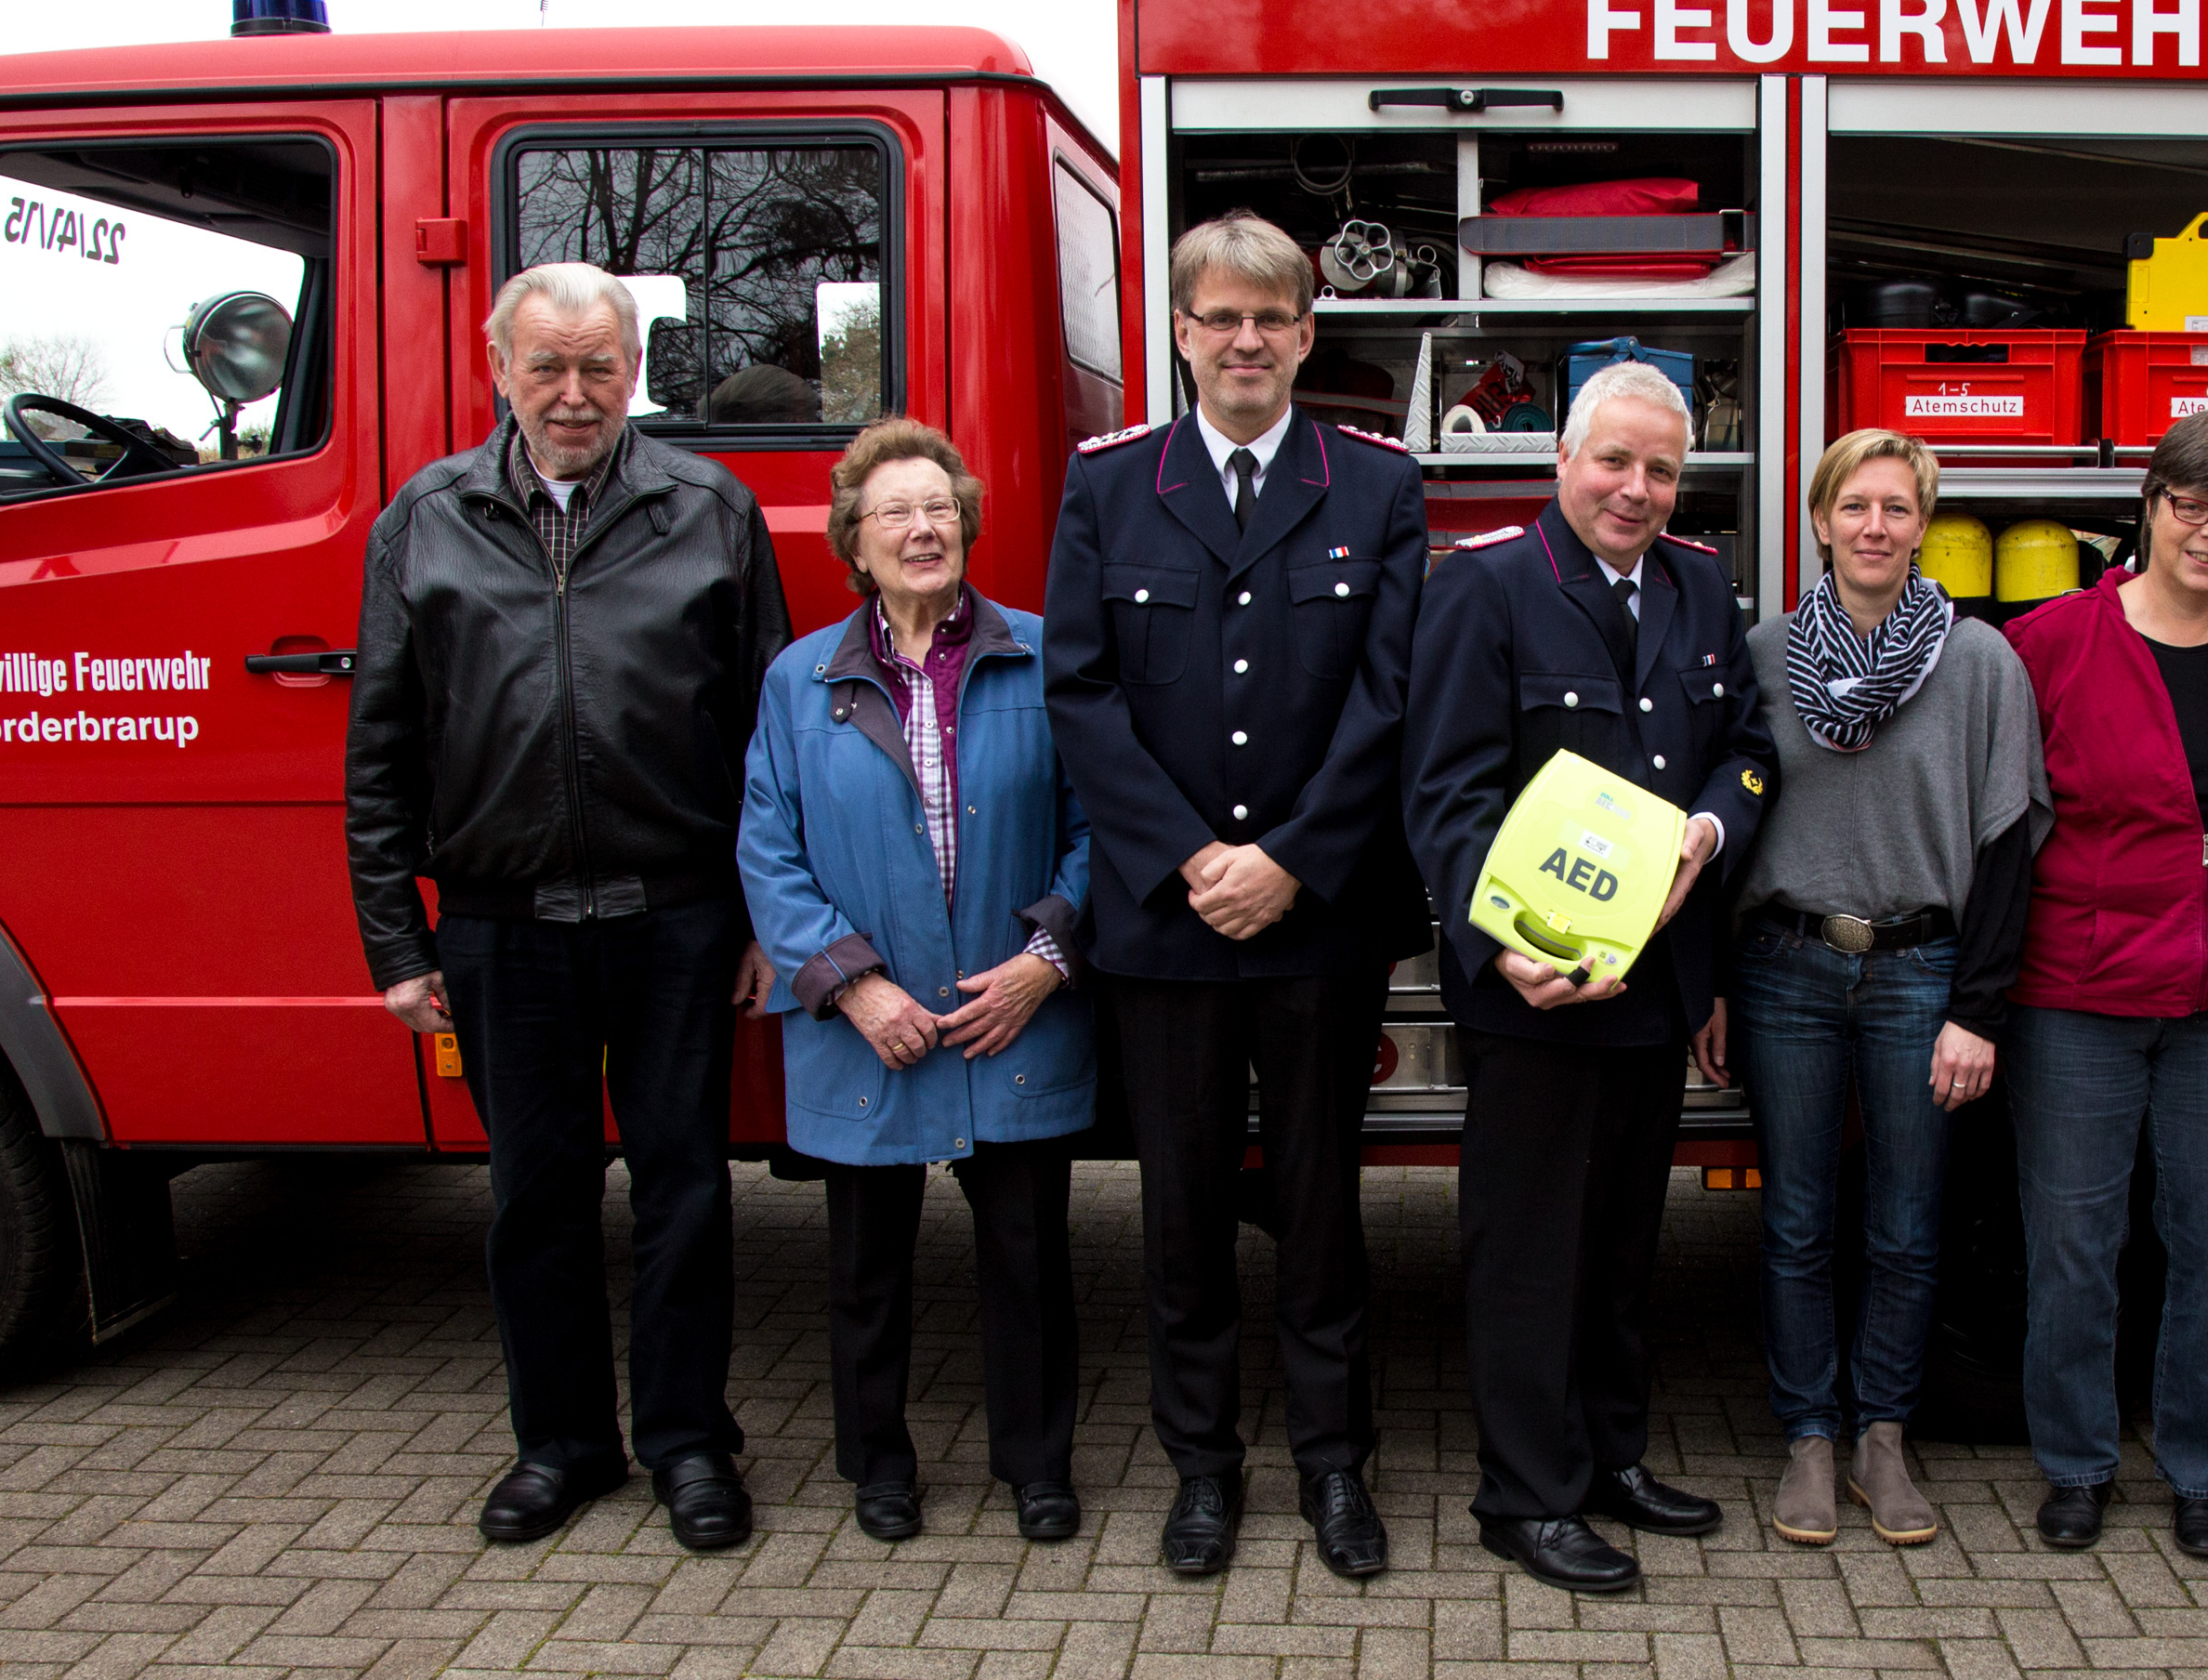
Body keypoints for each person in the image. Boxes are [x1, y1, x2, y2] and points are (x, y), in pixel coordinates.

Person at [347, 260, 793, 1552]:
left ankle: (690, 1443)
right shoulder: (423, 520)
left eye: (601, 363)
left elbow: (770, 741)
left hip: (677, 914)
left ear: (635, 369)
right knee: (534, 1196)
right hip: (499, 922)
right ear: (501, 369)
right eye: (548, 364)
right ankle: (561, 1443)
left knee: (685, 1187)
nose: (575, 391)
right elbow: (379, 747)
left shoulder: (709, 509)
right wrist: (395, 939)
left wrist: (767, 917)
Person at [1042, 215, 1426, 1581]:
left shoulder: (1376, 487)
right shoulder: (1109, 487)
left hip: (1318, 920)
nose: (1247, 341)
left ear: (1307, 334)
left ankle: (1334, 1468)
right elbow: (1079, 690)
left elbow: (1391, 697)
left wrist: (1295, 859)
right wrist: (1193, 857)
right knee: (1183, 1211)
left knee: (1323, 1209)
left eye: (1273, 319)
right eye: (1222, 318)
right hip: (1165, 918)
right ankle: (1203, 1469)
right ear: (1184, 334)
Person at [1405, 361, 1773, 1594]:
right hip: (1532, 990)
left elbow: (1748, 750)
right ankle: (1524, 1491)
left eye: (1662, 468)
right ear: (1564, 458)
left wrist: (1706, 834)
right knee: (1529, 1249)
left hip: (1652, 981)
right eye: (1615, 461)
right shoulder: (1486, 589)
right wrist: (1491, 940)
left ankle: (1610, 1456)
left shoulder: (1703, 587)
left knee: (1622, 1244)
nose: (1636, 488)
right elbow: (1444, 792)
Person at [740, 421, 1093, 1545]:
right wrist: (853, 987)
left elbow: (1104, 828)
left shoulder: (1046, 656)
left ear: (968, 525)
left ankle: (1037, 1467)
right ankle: (877, 1465)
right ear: (855, 537)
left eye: (938, 506)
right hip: (868, 1022)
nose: (920, 527)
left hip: (1013, 1015)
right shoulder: (800, 679)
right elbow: (768, 849)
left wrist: (1044, 963)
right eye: (893, 510)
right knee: (864, 1268)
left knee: (1030, 1263)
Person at [1708, 428, 2043, 1549]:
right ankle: (1808, 1434)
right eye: (1855, 506)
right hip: (1784, 968)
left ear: (1923, 524)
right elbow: (1722, 831)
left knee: (1907, 1226)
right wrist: (1710, 986)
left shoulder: (1981, 661)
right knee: (1797, 1219)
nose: (1874, 528)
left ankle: (1883, 1436)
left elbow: (2007, 847)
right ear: (1817, 519)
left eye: (1898, 509)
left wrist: (1978, 1009)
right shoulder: (1761, 658)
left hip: (1919, 973)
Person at [2003, 412, 2208, 1558]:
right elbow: (2002, 822)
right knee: (2074, 1249)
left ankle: (2198, 1468)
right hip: (2078, 997)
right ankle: (2076, 1462)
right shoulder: (2052, 642)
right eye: (2190, 504)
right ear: (2149, 503)